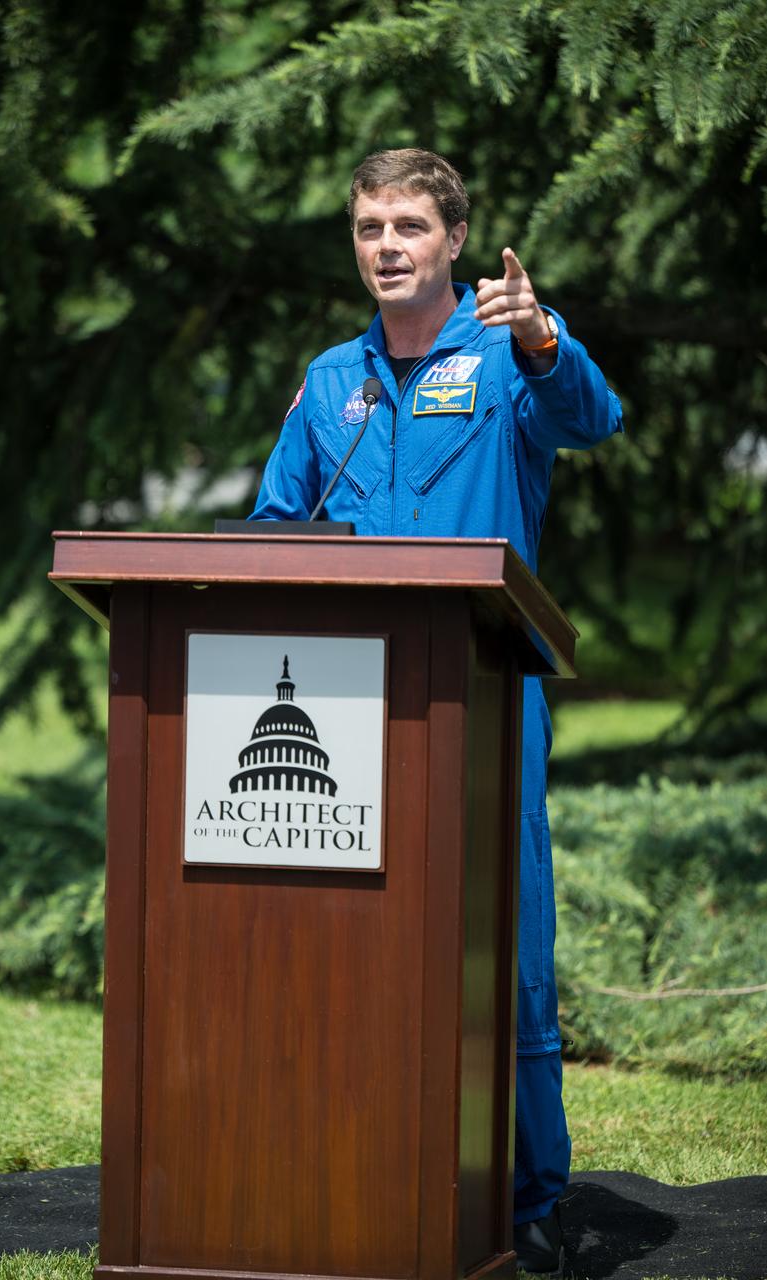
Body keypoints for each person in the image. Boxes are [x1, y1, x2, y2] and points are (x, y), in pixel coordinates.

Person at [250, 148, 623, 1275]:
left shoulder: (508, 356)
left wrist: (543, 337)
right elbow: (271, 527)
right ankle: (352, 1161)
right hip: (347, 710)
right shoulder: (330, 384)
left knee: (502, 950)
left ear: (455, 240)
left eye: (410, 224)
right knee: (347, 943)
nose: (388, 245)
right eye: (369, 227)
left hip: (483, 704)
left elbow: (592, 416)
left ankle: (529, 1198)